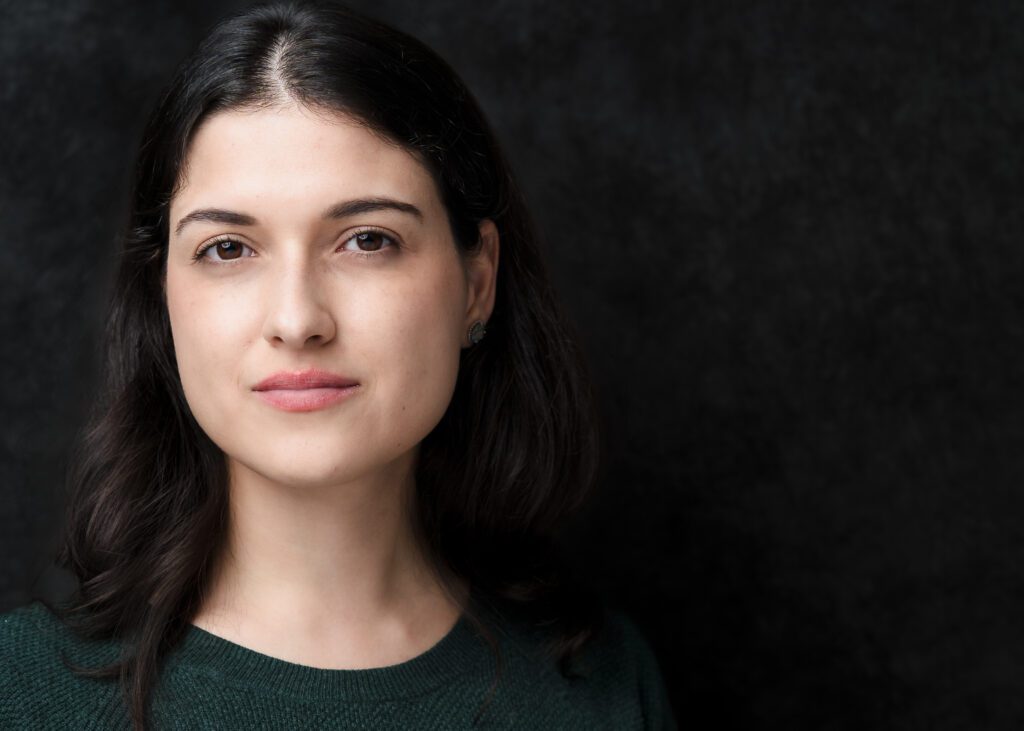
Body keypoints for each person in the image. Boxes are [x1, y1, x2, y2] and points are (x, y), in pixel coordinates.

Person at [0, 2, 677, 729]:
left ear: (477, 283)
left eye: (366, 240)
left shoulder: (598, 682)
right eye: (228, 248)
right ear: (162, 297)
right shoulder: (24, 692)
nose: (297, 321)